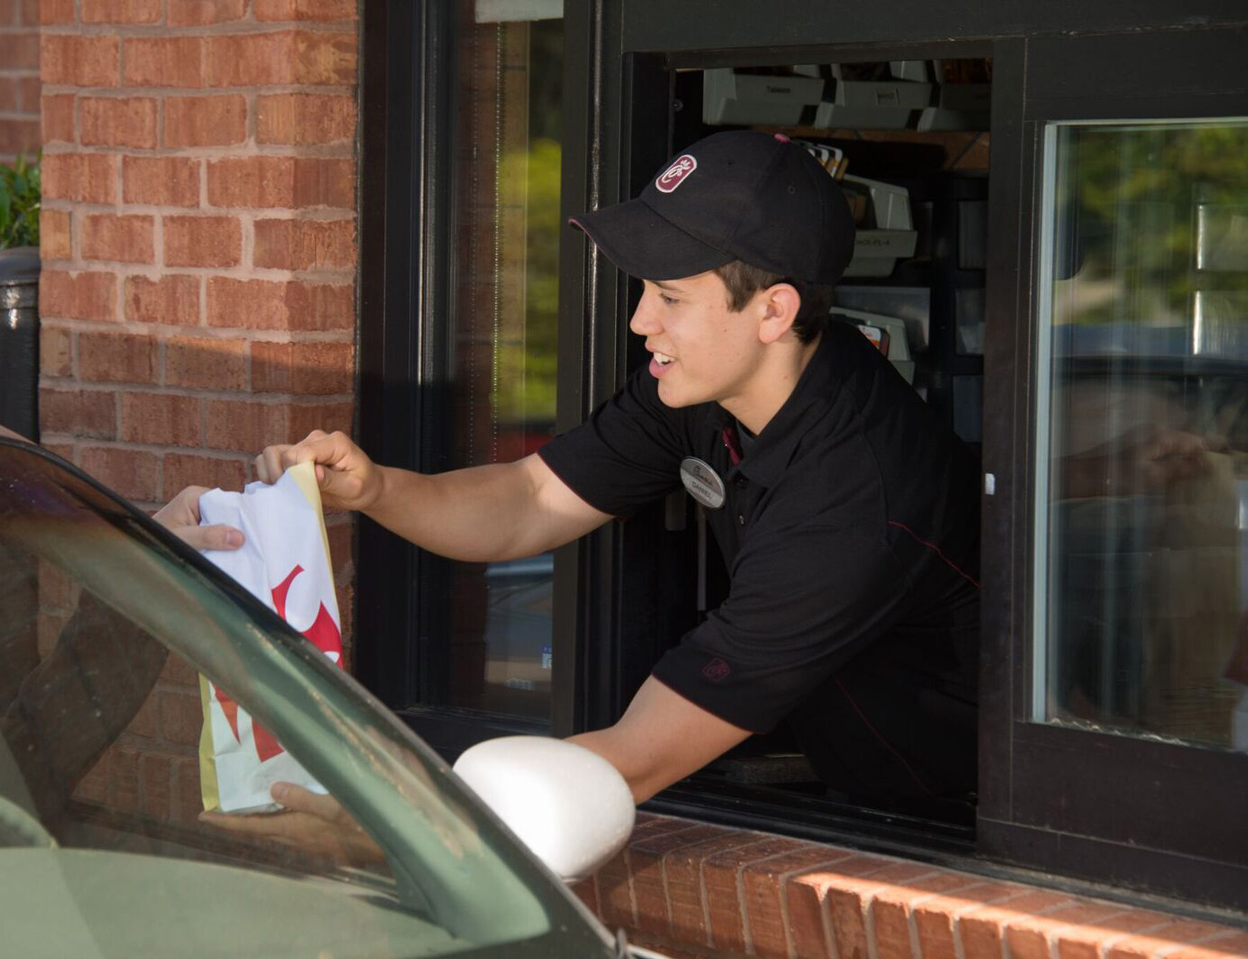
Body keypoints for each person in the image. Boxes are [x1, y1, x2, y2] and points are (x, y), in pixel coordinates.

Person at [159, 130, 981, 806]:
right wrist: (374, 489)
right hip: (851, 777)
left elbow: (633, 758)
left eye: (670, 296)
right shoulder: (703, 385)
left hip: (948, 820)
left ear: (774, 310)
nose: (639, 319)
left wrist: (386, 808)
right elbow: (529, 498)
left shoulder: (852, 501)